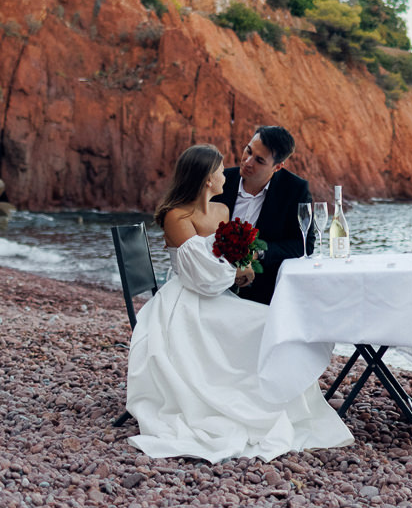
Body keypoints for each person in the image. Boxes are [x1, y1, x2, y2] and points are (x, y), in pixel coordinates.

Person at [125, 143, 353, 462]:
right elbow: (199, 276)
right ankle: (254, 407)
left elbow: (219, 262)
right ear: (206, 178)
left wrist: (241, 267)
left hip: (216, 296)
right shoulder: (176, 216)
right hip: (186, 304)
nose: (225, 174)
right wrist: (236, 271)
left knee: (276, 321)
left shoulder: (221, 211)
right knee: (265, 323)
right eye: (219, 170)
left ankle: (277, 401)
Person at [213, 125, 312, 305]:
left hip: (264, 292)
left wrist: (257, 253)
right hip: (213, 283)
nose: (248, 162)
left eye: (259, 160)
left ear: (278, 167)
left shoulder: (295, 190)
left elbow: (304, 244)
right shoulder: (220, 181)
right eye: (248, 151)